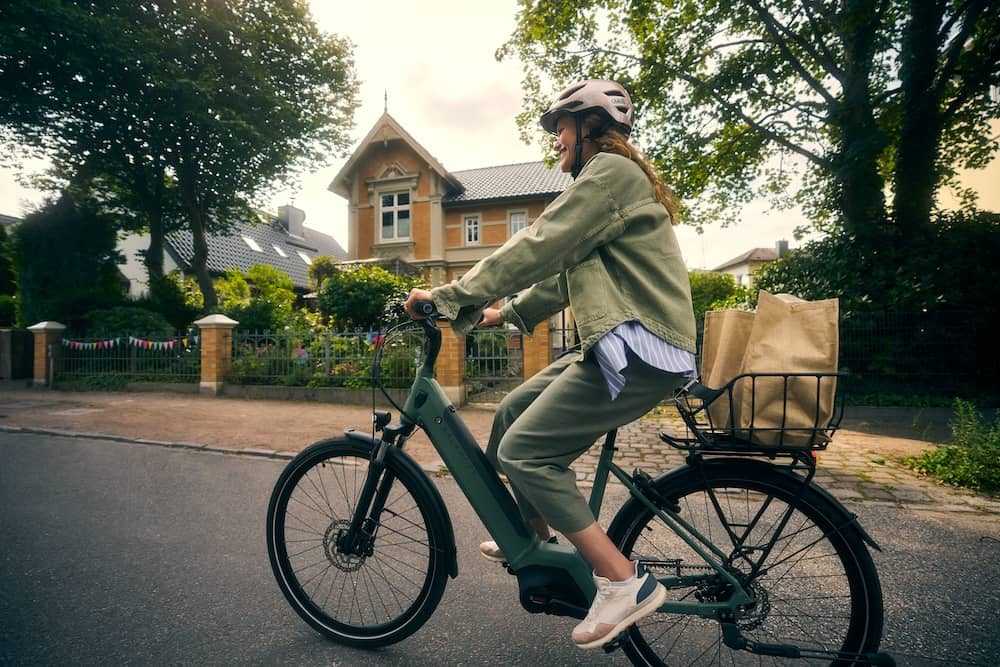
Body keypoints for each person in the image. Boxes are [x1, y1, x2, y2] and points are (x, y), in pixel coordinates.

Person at [404, 79, 697, 649]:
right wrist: (498, 314)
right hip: (620, 343)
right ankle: (532, 535)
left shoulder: (610, 174)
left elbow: (538, 242)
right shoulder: (607, 181)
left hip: (640, 347)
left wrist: (449, 295)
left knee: (525, 453)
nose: (556, 140)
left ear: (590, 125)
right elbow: (564, 274)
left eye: (561, 127)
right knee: (511, 412)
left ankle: (622, 581)